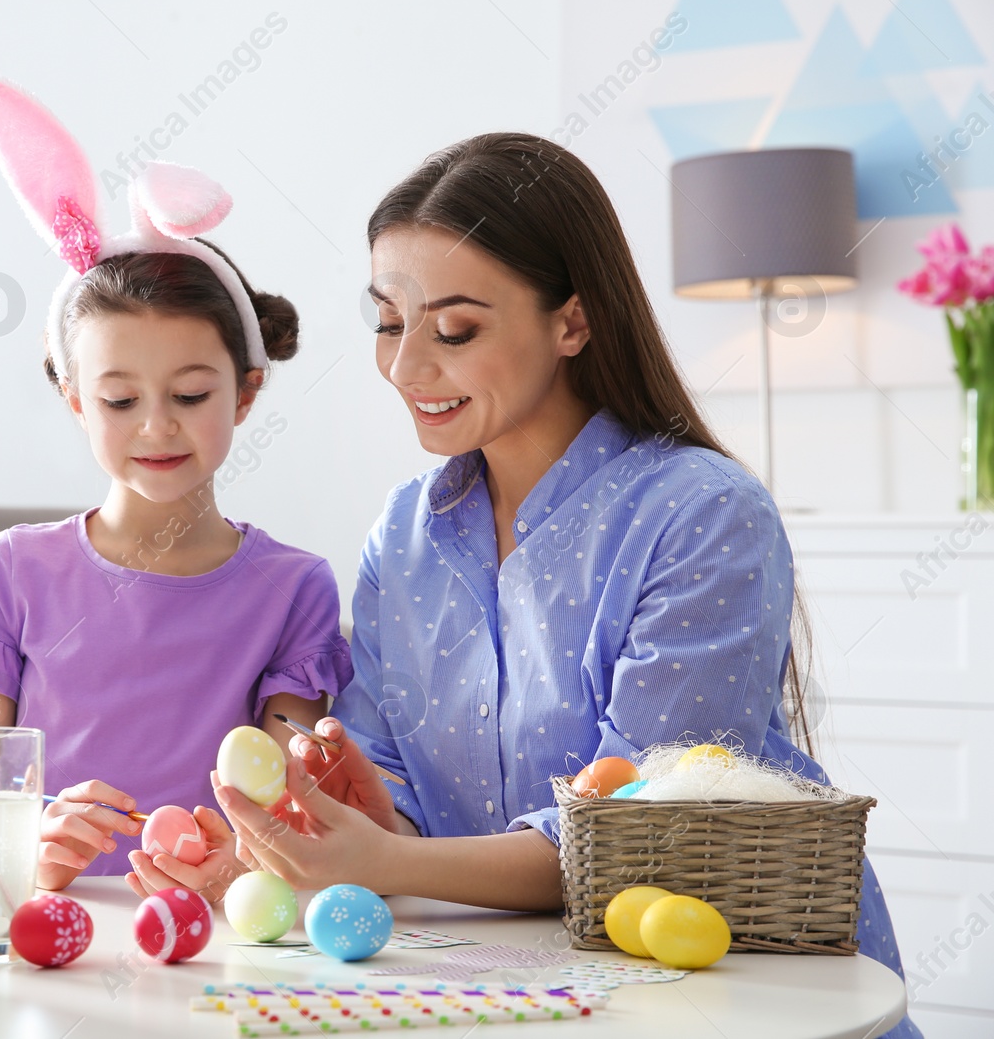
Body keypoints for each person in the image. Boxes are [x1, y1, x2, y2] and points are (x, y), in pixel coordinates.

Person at [209, 133, 920, 1039]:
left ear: (572, 323)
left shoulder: (704, 514)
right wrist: (364, 815)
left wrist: (389, 858)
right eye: (389, 320)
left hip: (734, 991)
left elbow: (643, 834)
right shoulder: (404, 530)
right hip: (525, 990)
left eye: (455, 328)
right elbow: (399, 787)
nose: (406, 366)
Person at [0, 77, 352, 897]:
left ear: (246, 392)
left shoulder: (294, 590)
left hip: (220, 937)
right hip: (43, 933)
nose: (156, 428)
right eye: (118, 400)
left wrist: (240, 857)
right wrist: (31, 848)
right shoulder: (9, 575)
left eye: (190, 395)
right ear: (75, 399)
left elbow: (294, 803)